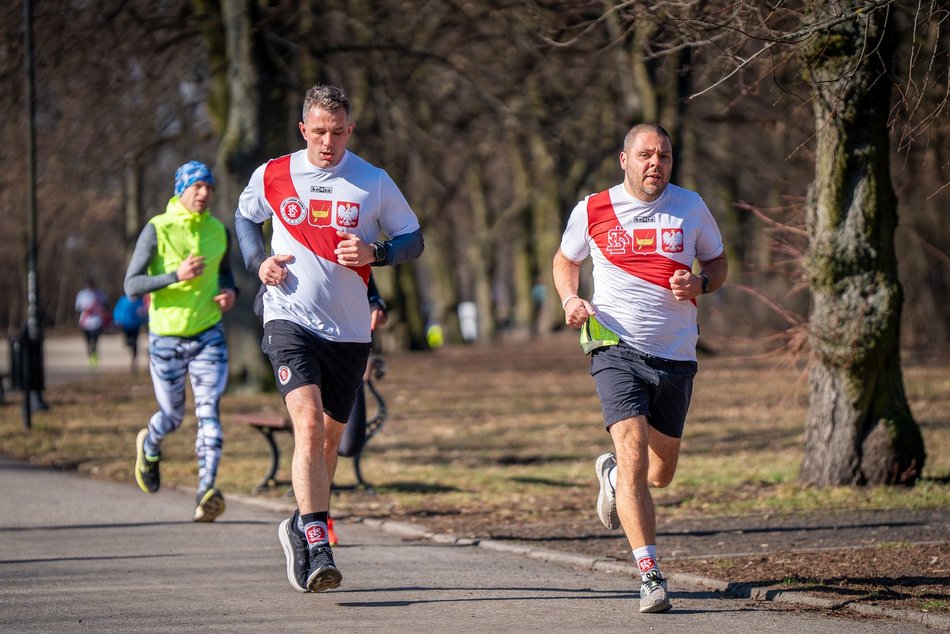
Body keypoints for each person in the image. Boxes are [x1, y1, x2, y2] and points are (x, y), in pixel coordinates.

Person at [234, 84, 423, 593]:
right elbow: (245, 216)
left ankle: (300, 521)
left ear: (350, 130)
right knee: (309, 425)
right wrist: (259, 262)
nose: (328, 143)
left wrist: (376, 253)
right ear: (303, 130)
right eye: (319, 132)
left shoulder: (372, 181)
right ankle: (318, 540)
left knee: (331, 439)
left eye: (338, 132)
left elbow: (413, 238)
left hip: (349, 330)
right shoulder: (274, 173)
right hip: (288, 319)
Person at [552, 123, 727, 614]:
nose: (656, 164)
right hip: (614, 346)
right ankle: (650, 574)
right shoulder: (593, 208)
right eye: (646, 155)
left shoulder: (691, 206)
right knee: (631, 453)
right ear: (623, 160)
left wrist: (701, 284)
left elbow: (717, 262)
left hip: (675, 354)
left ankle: (609, 478)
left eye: (665, 156)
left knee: (659, 473)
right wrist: (570, 298)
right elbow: (565, 260)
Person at [124, 161, 238, 523]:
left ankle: (206, 490)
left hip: (208, 335)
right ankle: (150, 444)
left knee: (209, 412)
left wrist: (229, 293)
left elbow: (226, 275)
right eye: (197, 187)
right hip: (167, 337)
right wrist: (176, 275)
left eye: (209, 187)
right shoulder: (157, 229)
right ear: (181, 190)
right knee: (172, 416)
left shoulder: (219, 230)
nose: (204, 194)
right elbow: (132, 285)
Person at [75, 278, 109, 367]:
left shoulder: (100, 294)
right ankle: (90, 356)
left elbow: (106, 305)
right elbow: (77, 306)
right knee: (88, 342)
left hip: (97, 322)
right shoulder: (82, 294)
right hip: (85, 322)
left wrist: (101, 308)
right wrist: (86, 308)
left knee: (94, 341)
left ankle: (94, 357)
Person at [112, 294, 148, 371]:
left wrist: (145, 320)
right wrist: (117, 319)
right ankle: (130, 346)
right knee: (128, 342)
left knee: (135, 342)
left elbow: (143, 312)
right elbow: (118, 310)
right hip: (125, 325)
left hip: (136, 325)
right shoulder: (123, 300)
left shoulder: (139, 302)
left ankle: (134, 358)